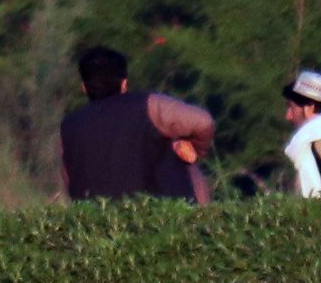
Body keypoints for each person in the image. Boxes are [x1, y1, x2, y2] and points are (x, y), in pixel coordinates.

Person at [59, 46, 215, 204]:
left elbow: (67, 178)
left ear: (84, 88)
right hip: (159, 212)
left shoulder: (67, 126)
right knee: (180, 155)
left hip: (98, 216)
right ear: (124, 83)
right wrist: (195, 149)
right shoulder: (147, 106)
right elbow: (203, 122)